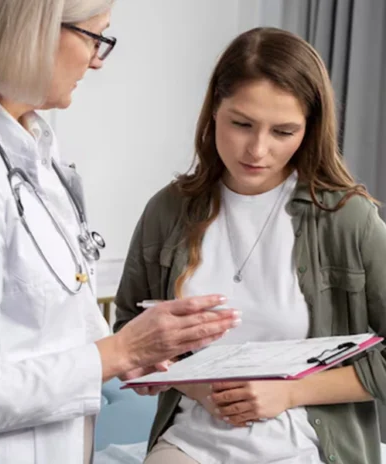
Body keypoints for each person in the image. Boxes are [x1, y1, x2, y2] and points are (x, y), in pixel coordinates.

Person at [0, 1, 240, 463]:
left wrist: (132, 356)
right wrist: (117, 352)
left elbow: (36, 331)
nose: (97, 59)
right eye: (96, 37)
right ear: (35, 33)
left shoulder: (29, 145)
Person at [114, 26, 386, 464]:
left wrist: (292, 392)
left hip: (310, 446)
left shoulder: (346, 219)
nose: (257, 150)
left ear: (309, 130)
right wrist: (194, 386)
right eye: (241, 124)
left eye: (283, 132)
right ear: (213, 112)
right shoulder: (168, 211)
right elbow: (128, 328)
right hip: (191, 443)